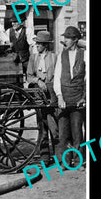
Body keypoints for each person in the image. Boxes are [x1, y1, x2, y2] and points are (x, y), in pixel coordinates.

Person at [53, 26, 86, 168]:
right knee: (63, 133)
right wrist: (59, 96)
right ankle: (65, 162)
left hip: (78, 97)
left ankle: (78, 161)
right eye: (64, 37)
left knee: (77, 130)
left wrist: (84, 98)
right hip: (64, 98)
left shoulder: (84, 55)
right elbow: (57, 78)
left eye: (68, 38)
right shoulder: (61, 55)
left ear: (75, 40)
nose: (64, 40)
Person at [26, 31, 59, 163]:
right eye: (36, 43)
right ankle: (45, 156)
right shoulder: (33, 58)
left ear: (45, 45)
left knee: (53, 124)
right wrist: (38, 81)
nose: (37, 46)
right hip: (39, 94)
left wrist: (50, 84)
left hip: (52, 93)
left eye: (39, 44)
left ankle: (58, 155)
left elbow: (58, 74)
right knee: (42, 124)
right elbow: (29, 76)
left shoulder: (54, 57)